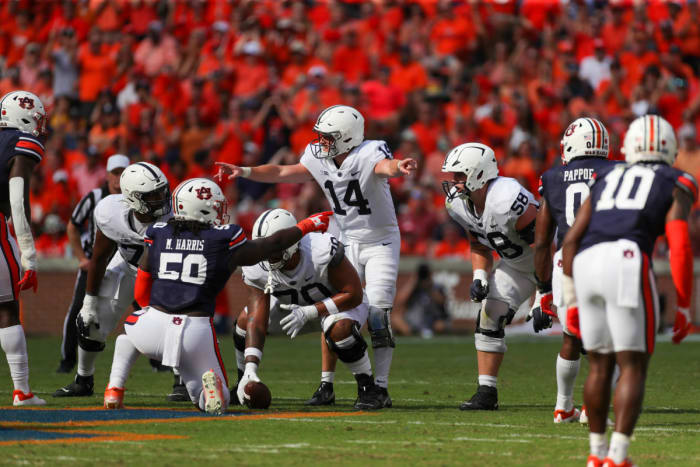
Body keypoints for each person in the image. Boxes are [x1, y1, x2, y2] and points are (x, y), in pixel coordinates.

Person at [217, 105, 417, 407]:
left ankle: (380, 387)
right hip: (344, 236)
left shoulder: (368, 153)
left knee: (378, 314)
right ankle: (327, 384)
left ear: (348, 137)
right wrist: (245, 171)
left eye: (329, 137)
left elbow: (383, 166)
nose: (322, 142)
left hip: (380, 242)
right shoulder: (319, 157)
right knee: (331, 309)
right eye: (321, 136)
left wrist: (398, 166)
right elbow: (283, 172)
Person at [103, 179, 332, 413]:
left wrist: (148, 311)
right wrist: (306, 225)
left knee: (127, 337)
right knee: (216, 398)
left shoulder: (159, 233)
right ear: (202, 209)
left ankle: (114, 389)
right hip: (195, 331)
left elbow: (142, 282)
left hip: (153, 326)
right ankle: (210, 393)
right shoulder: (223, 239)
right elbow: (272, 244)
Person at [562, 115, 695, 467]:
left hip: (587, 261)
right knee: (632, 365)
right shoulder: (676, 179)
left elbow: (571, 239)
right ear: (670, 148)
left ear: (629, 146)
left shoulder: (606, 175)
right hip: (626, 258)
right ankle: (618, 457)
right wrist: (683, 304)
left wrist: (572, 297)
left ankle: (596, 454)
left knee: (600, 365)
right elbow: (679, 243)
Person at [235, 208, 385, 411]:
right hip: (293, 311)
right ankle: (243, 381)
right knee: (245, 321)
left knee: (338, 328)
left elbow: (354, 294)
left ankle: (369, 388)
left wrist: (310, 312)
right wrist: (251, 367)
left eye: (274, 248)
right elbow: (257, 320)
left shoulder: (320, 248)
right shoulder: (255, 266)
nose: (267, 255)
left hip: (337, 305)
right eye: (264, 248)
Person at [53, 162, 171, 397]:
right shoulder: (111, 213)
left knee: (176, 324)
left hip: (163, 275)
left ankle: (181, 383)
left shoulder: (175, 217)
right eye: (153, 195)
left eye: (162, 191)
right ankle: (83, 379)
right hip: (126, 267)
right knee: (89, 322)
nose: (161, 198)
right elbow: (98, 258)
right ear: (133, 198)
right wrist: (89, 303)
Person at [441, 142, 538, 410]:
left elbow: (546, 246)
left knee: (576, 328)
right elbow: (480, 245)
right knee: (490, 312)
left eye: (460, 177)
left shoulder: (508, 199)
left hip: (556, 264)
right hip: (516, 264)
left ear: (479, 174)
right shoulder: (459, 204)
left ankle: (583, 398)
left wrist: (545, 294)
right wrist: (480, 276)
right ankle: (487, 392)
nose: (453, 183)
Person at [533, 118, 616, 424]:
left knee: (571, 336)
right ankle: (594, 409)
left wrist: (542, 290)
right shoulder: (617, 170)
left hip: (566, 264)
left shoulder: (553, 177)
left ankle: (563, 407)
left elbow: (541, 242)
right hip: (606, 258)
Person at [57, 153, 129, 374]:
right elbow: (73, 226)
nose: (118, 179)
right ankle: (67, 360)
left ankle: (160, 364)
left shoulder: (133, 198)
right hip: (96, 263)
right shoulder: (94, 197)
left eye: (122, 173)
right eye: (114, 173)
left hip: (126, 264)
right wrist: (81, 258)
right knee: (79, 310)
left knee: (146, 306)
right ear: (107, 175)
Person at [0, 90, 47, 406]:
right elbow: (17, 200)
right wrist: (29, 256)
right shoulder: (22, 143)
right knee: (6, 309)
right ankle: (22, 391)